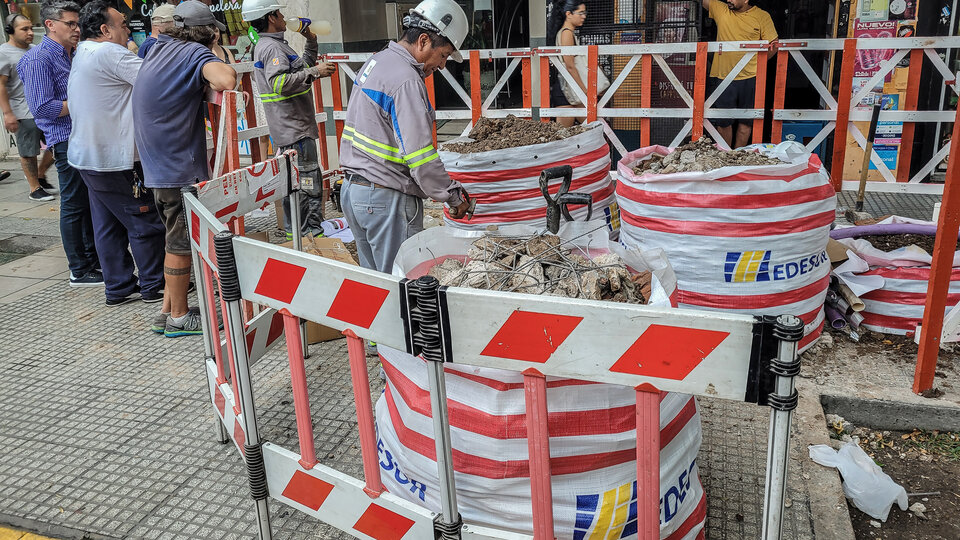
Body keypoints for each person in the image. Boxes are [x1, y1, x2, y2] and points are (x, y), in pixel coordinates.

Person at [339, 0, 471, 275]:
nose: (443, 65)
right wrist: (453, 196)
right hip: (385, 199)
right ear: (424, 41)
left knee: (376, 285)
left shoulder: (377, 61)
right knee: (401, 283)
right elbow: (420, 157)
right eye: (444, 55)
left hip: (355, 193)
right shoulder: (407, 81)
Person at [133, 0, 237, 337]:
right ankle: (179, 317)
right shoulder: (194, 54)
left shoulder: (160, 47)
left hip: (157, 164)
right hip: (178, 168)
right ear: (208, 32)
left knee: (172, 240)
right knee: (180, 244)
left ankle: (166, 310)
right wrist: (215, 52)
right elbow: (226, 80)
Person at [68, 1, 166, 307]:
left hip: (89, 156)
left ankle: (119, 286)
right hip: (114, 157)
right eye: (123, 24)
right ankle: (154, 286)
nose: (128, 29)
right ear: (104, 29)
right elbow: (157, 82)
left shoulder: (83, 51)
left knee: (108, 226)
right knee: (145, 221)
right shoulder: (109, 52)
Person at [19, 0, 103, 287]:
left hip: (84, 135)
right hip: (65, 139)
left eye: (77, 23)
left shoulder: (74, 54)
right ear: (51, 25)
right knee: (74, 204)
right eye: (70, 23)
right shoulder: (39, 59)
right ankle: (78, 269)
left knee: (88, 203)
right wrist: (84, 101)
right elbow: (43, 108)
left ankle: (93, 261)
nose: (76, 29)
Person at [242, 0, 335, 239]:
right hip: (295, 131)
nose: (284, 16)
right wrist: (316, 72)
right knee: (306, 186)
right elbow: (280, 83)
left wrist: (310, 40)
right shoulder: (271, 48)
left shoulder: (274, 46)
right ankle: (309, 238)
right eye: (280, 13)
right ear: (271, 17)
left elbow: (300, 68)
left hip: (294, 129)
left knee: (302, 184)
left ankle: (302, 235)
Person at [702, 0, 777, 148]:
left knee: (746, 121)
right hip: (723, 76)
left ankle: (737, 156)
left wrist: (757, 63)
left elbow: (774, 44)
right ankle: (725, 157)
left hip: (751, 77)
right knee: (724, 122)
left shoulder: (762, 16)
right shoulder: (721, 9)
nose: (729, 0)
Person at [0, 13, 54, 201]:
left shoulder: (35, 49)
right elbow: (1, 86)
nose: (30, 32)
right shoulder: (3, 53)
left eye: (31, 28)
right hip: (21, 110)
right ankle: (34, 188)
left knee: (57, 144)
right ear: (10, 31)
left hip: (42, 107)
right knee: (28, 151)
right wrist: (8, 113)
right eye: (24, 29)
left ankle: (40, 174)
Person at [550, 1, 588, 128]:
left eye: (584, 12)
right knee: (566, 136)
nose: (584, 16)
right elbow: (570, 66)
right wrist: (584, 90)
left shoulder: (567, 33)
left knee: (567, 135)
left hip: (568, 89)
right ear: (568, 14)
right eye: (580, 12)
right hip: (567, 89)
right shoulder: (566, 33)